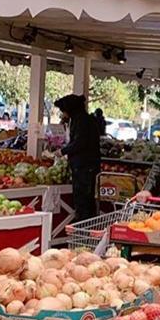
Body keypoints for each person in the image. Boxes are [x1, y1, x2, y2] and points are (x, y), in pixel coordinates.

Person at [55, 93, 101, 223]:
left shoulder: (81, 121)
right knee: (86, 200)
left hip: (84, 168)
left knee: (83, 201)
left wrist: (63, 151)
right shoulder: (82, 119)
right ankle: (85, 225)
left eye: (63, 111)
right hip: (85, 166)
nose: (63, 114)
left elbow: (79, 143)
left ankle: (83, 227)